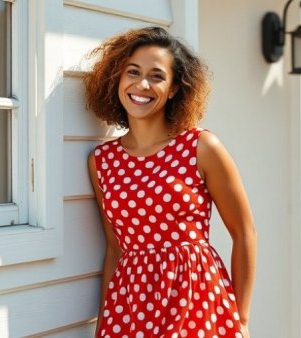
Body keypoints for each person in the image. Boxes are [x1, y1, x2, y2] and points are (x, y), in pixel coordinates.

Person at [83, 26, 257, 338]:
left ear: (174, 88)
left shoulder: (201, 147)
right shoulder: (102, 161)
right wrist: (104, 323)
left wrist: (241, 318)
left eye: (157, 76)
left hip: (196, 299)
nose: (142, 84)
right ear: (117, 79)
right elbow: (114, 250)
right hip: (130, 306)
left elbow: (244, 233)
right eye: (132, 72)